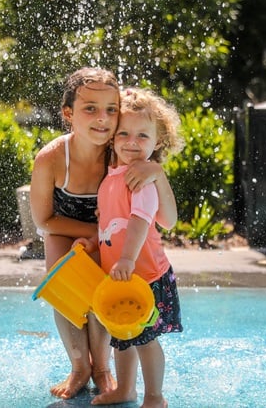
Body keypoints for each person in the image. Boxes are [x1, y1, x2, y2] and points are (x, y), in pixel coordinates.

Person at [30, 68, 178, 400]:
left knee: (103, 288)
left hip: (108, 230)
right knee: (62, 283)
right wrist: (95, 234)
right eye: (90, 109)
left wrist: (156, 171)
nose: (103, 119)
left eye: (111, 110)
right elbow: (44, 219)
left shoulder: (121, 148)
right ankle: (80, 364)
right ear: (68, 114)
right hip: (62, 223)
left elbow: (160, 215)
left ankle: (103, 367)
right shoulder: (52, 158)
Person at [75, 87, 184, 408]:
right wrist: (94, 243)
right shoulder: (113, 176)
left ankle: (155, 396)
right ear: (112, 138)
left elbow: (139, 221)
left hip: (146, 275)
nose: (132, 142)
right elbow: (112, 223)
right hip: (122, 275)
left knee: (146, 341)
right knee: (122, 338)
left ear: (157, 141)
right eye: (123, 133)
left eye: (142, 135)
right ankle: (126, 389)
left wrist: (125, 258)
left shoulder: (141, 177)